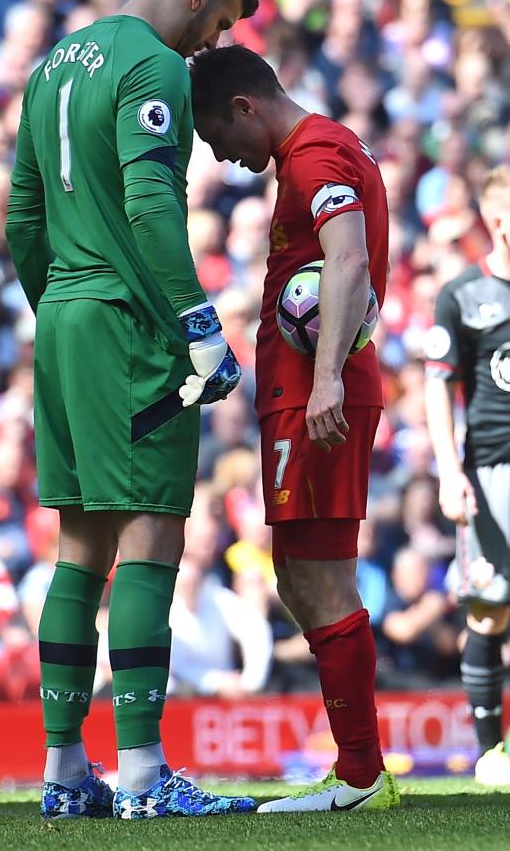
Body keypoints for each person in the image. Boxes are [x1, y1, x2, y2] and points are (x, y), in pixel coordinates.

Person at [6, 0, 260, 820]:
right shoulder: (152, 67)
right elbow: (152, 207)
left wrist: (58, 307)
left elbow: (23, 213)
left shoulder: (52, 65)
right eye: (220, 21)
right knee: (153, 541)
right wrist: (196, 324)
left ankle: (66, 773)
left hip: (65, 320)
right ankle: (148, 776)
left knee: (80, 554)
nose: (212, 46)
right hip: (127, 324)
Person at [189, 45, 399, 812]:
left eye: (219, 139)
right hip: (316, 391)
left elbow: (346, 266)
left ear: (244, 107)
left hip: (319, 397)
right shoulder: (326, 149)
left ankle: (359, 775)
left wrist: (326, 378)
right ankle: (360, 768)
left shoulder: (312, 156)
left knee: (315, 575)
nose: (228, 159)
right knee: (303, 574)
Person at [425, 165, 510, 786]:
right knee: (489, 610)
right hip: (492, 471)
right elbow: (437, 387)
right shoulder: (462, 295)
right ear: (499, 221)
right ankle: (490, 753)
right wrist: (450, 471)